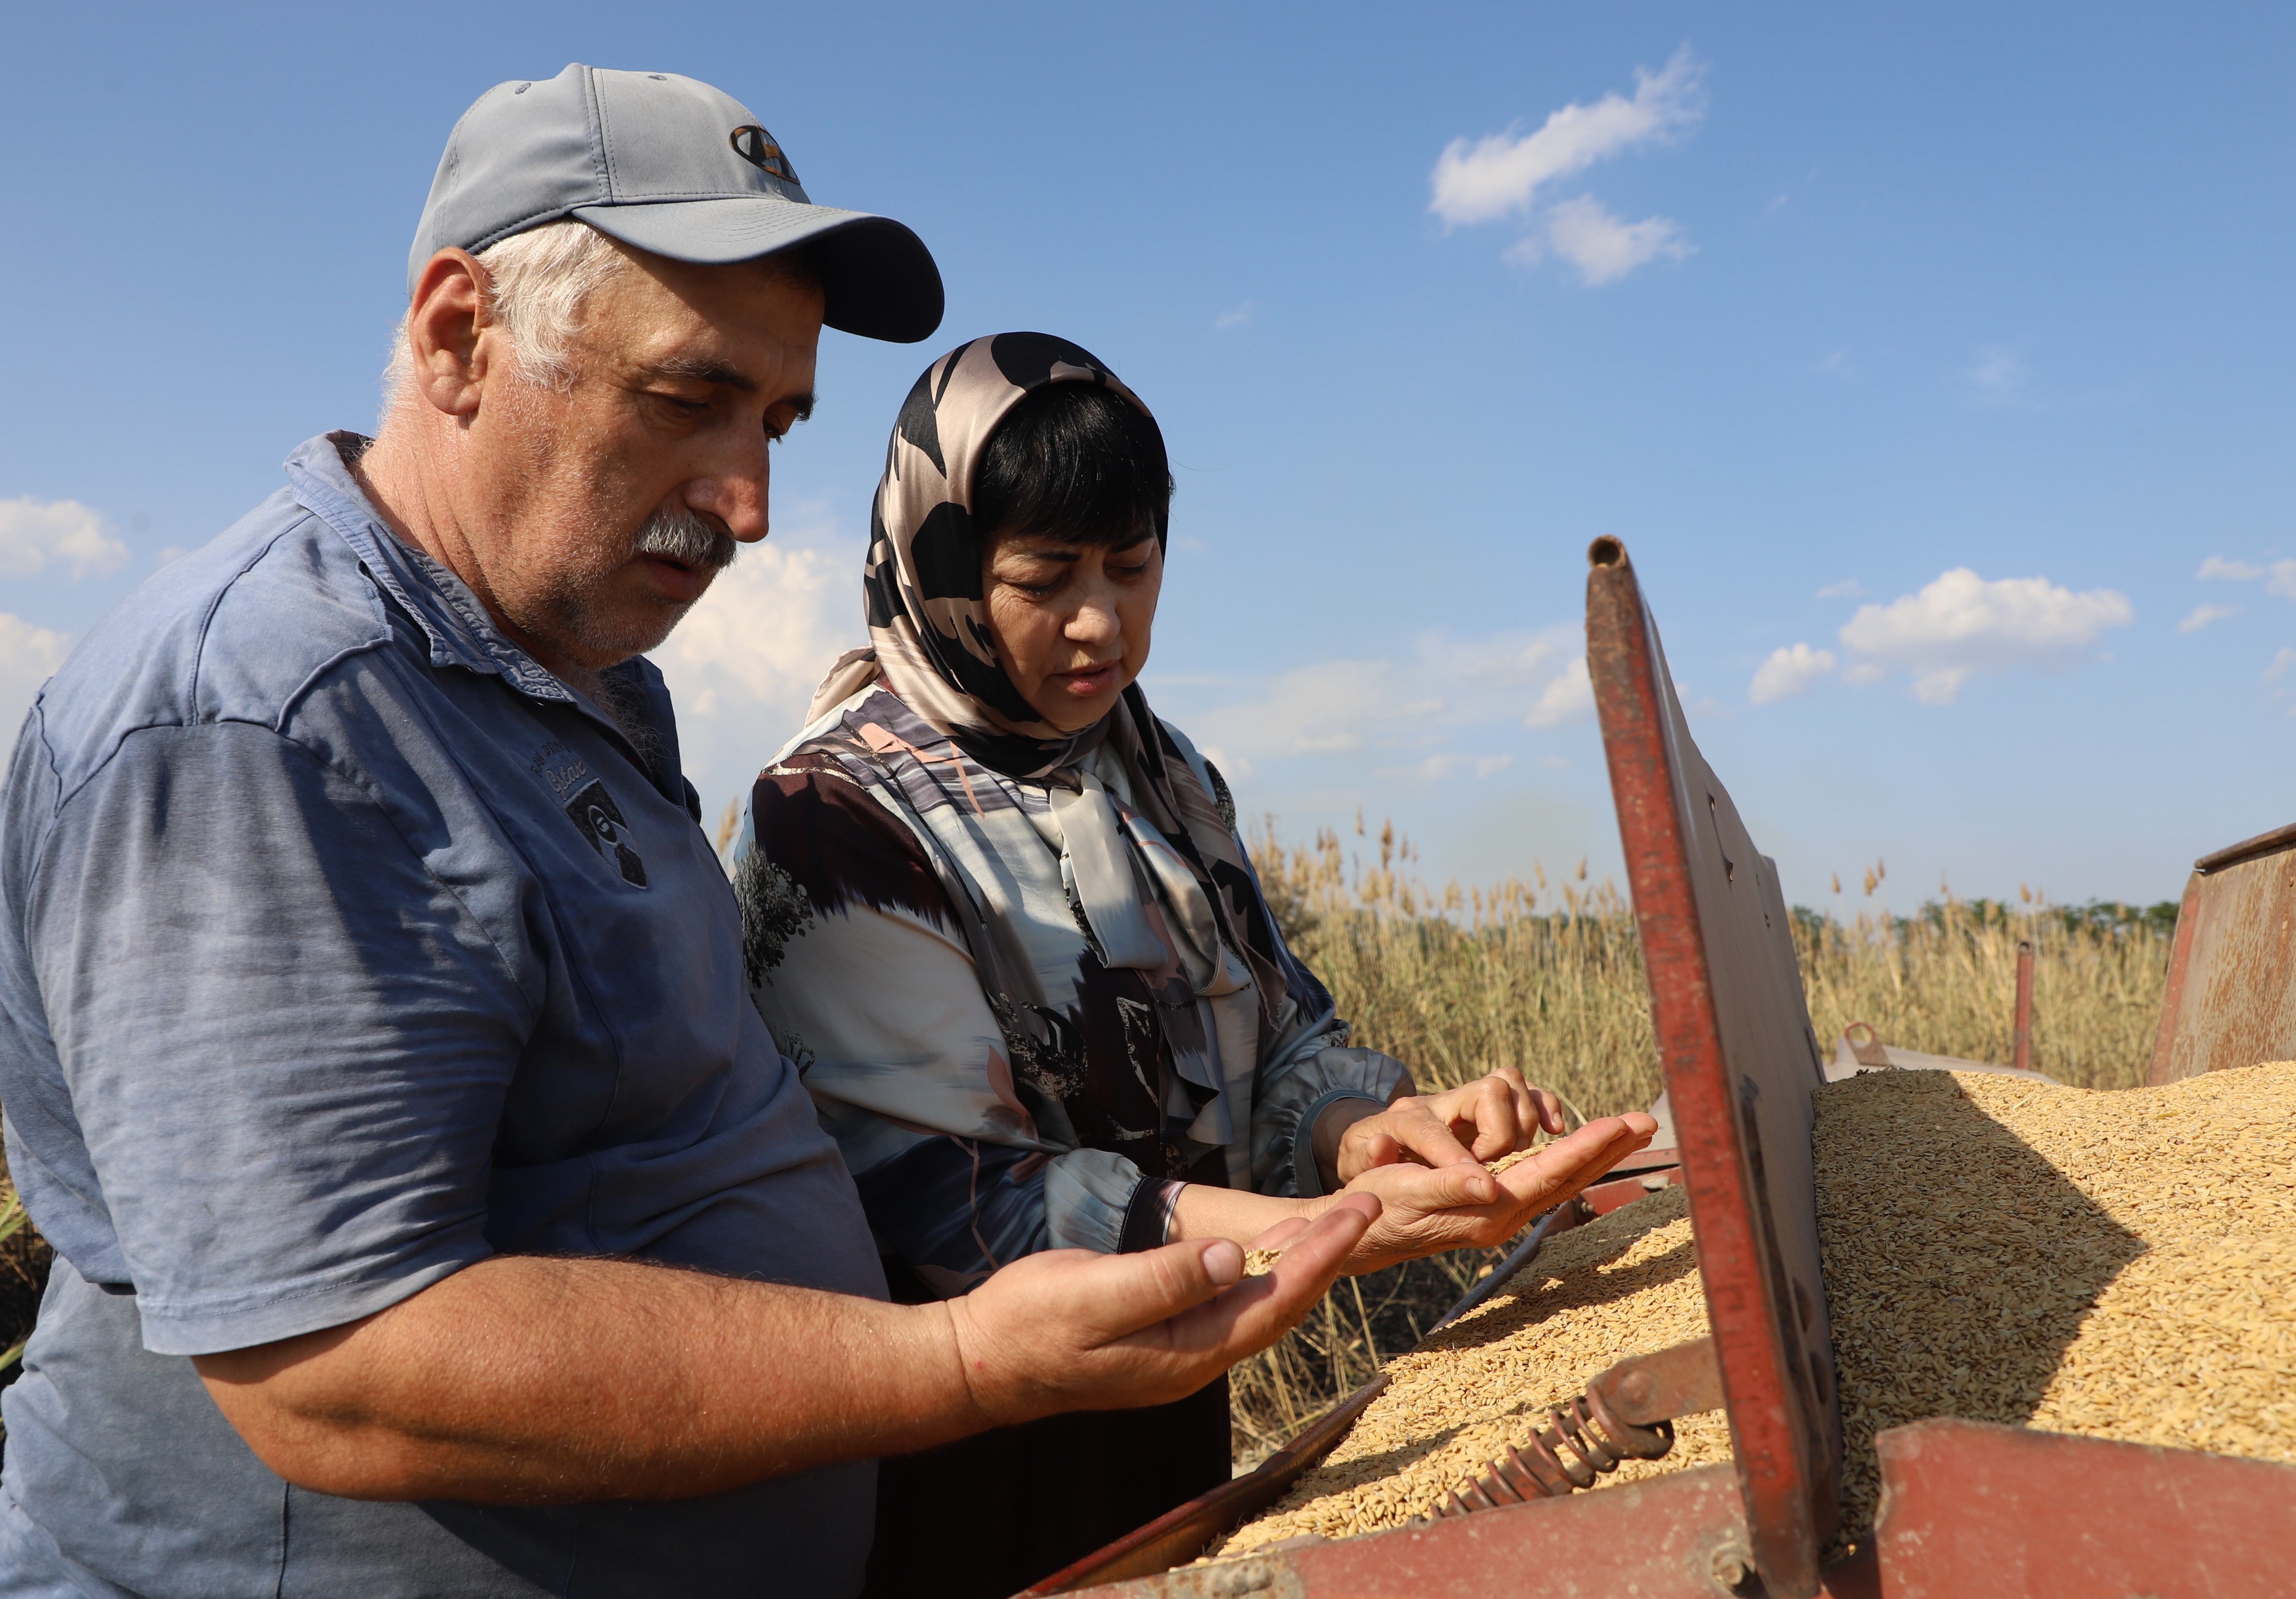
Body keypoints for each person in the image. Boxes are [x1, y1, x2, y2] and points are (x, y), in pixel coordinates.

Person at [0, 67, 1454, 1599]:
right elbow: (338, 1363)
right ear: (456, 338)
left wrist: (1352, 1133)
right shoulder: (272, 724)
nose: (752, 503)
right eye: (688, 397)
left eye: (778, 418)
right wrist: (954, 1358)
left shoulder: (587, 690)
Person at [738, 332, 1657, 1594]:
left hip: (1176, 1392)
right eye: (1043, 575)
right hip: (956, 1439)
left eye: (1133, 564)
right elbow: (965, 1201)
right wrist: (1318, 1232)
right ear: (944, 566)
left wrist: (1367, 1129)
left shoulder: (1161, 771)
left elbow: (1278, 1036)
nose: (1100, 621)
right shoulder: (837, 818)